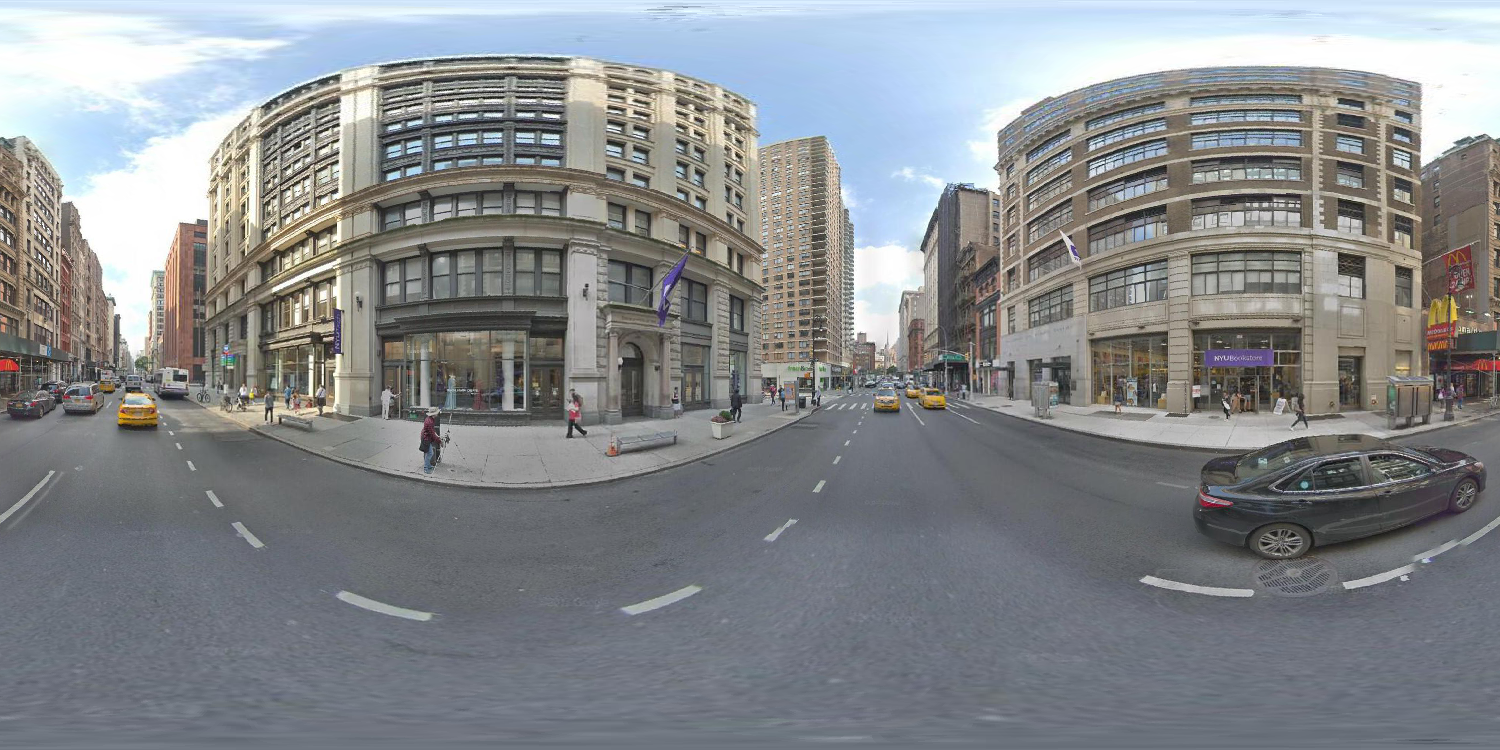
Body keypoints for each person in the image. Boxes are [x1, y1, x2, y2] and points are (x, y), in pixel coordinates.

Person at [421, 407, 441, 474]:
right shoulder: (429, 421)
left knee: (430, 452)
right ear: (434, 414)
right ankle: (426, 468)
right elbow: (432, 434)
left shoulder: (430, 419)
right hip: (426, 438)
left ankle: (428, 465)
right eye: (436, 413)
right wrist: (439, 441)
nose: (437, 414)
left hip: (427, 437)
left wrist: (437, 436)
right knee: (429, 453)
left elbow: (432, 431)